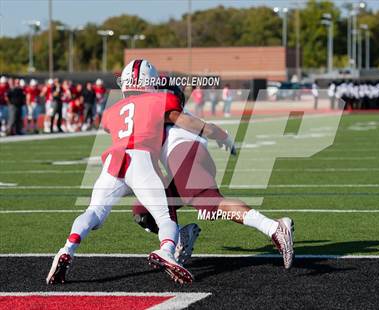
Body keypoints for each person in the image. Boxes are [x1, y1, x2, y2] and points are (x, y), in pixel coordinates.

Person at [46, 59, 235, 285]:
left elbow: (115, 123)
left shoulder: (113, 110)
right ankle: (166, 250)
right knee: (165, 217)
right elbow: (189, 122)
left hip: (114, 161)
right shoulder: (160, 99)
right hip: (140, 159)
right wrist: (219, 134)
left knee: (94, 211)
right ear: (151, 82)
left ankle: (67, 248)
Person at [132, 106, 295, 269]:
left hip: (183, 154)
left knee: (212, 204)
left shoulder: (157, 104)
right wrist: (221, 135)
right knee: (144, 210)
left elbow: (181, 118)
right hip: (185, 158)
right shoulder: (157, 107)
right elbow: (200, 125)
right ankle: (182, 236)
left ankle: (274, 227)